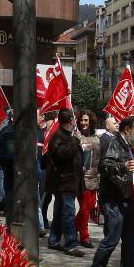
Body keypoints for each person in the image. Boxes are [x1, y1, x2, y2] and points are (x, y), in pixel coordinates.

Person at [90, 115, 134, 267]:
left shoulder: (129, 146)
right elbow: (104, 166)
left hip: (127, 197)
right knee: (112, 238)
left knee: (129, 240)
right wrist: (123, 166)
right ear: (127, 130)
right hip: (113, 199)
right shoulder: (114, 143)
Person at [45, 108, 85, 257]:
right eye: (74, 120)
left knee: (60, 212)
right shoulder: (58, 137)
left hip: (71, 181)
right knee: (68, 213)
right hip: (63, 182)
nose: (76, 122)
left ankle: (54, 239)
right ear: (70, 122)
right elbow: (62, 155)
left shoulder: (69, 136)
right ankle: (70, 244)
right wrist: (75, 141)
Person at [75, 109, 100, 249]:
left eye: (86, 120)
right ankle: (84, 236)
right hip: (82, 179)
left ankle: (72, 226)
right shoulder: (76, 137)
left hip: (95, 178)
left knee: (89, 208)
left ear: (90, 121)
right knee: (84, 209)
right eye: (81, 120)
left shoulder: (97, 138)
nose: (83, 122)